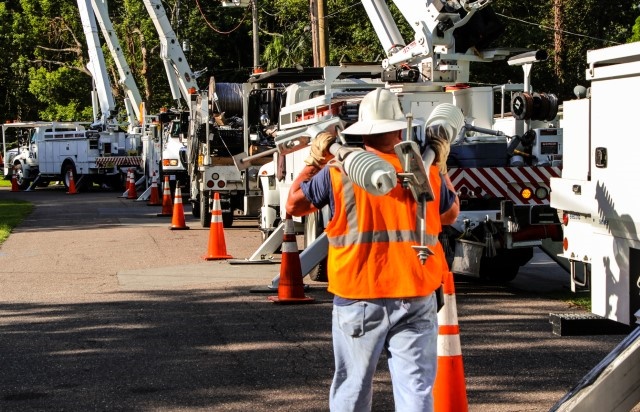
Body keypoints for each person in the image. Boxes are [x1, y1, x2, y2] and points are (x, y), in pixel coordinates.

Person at [285, 88, 460, 412]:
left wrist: (314, 159)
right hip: (416, 295)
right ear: (398, 128)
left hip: (358, 296)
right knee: (416, 393)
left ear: (363, 132)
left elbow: (294, 205)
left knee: (352, 391)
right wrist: (443, 167)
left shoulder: (339, 172)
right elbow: (450, 215)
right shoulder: (425, 168)